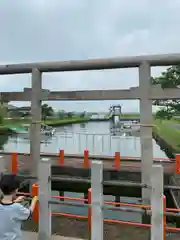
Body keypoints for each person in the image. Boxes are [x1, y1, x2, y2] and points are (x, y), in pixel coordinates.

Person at [0, 174, 38, 240]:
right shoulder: (17, 207)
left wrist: (14, 201)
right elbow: (29, 213)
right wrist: (34, 200)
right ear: (16, 190)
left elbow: (6, 208)